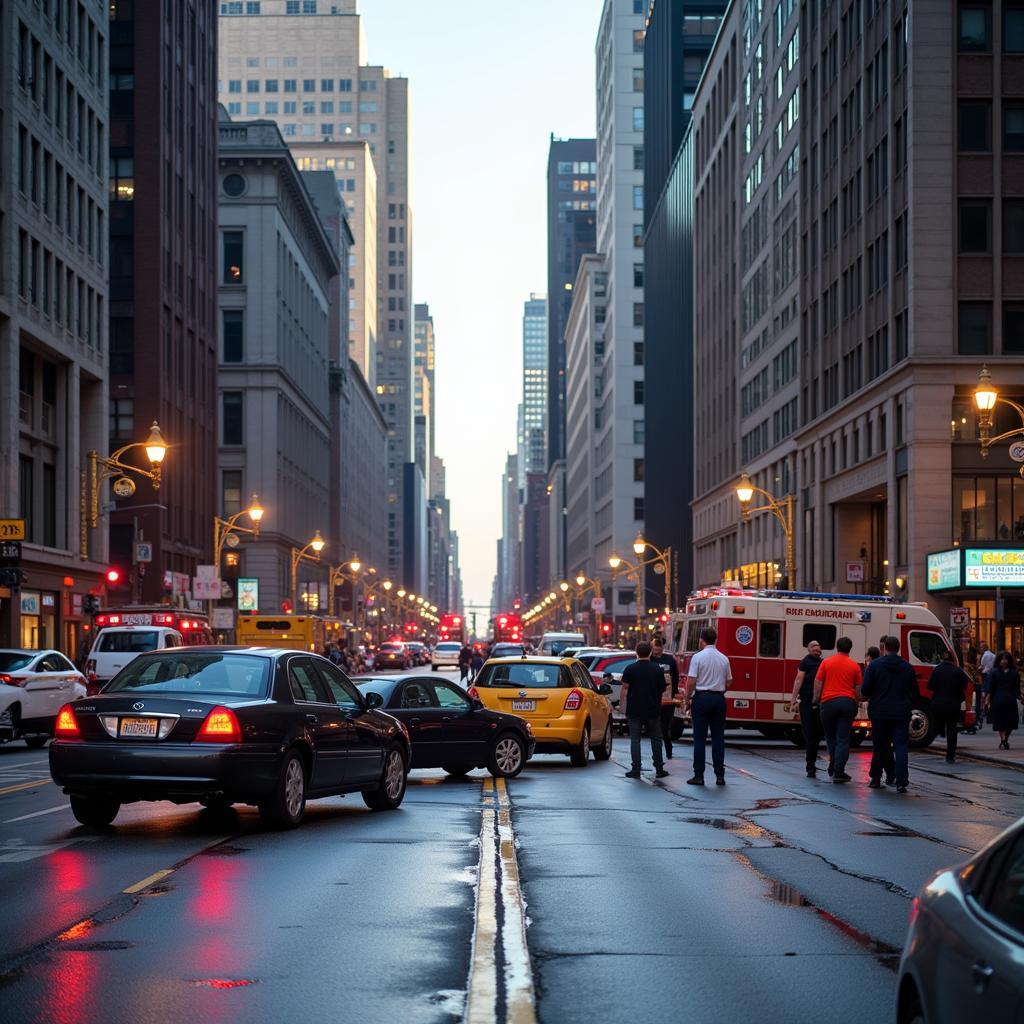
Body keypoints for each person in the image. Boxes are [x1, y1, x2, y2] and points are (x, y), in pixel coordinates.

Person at [861, 636, 918, 793]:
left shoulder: (875, 666)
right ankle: (901, 781)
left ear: (884, 647)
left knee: (879, 746)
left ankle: (875, 778)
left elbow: (865, 690)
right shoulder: (907, 667)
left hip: (879, 711)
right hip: (901, 712)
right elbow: (915, 692)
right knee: (900, 746)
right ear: (898, 648)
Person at [683, 627, 732, 786]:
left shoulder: (697, 657)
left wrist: (687, 698)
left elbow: (691, 681)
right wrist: (720, 688)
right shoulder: (724, 658)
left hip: (702, 698)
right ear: (715, 640)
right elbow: (730, 680)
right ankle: (720, 776)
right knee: (718, 738)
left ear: (702, 640)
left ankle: (699, 775)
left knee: (699, 739)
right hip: (718, 699)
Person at [814, 636, 862, 784]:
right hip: (847, 703)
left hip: (828, 703)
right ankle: (839, 770)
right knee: (843, 738)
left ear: (837, 647)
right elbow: (858, 689)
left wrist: (816, 699)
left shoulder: (826, 662)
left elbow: (818, 682)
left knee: (830, 736)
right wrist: (858, 701)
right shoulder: (855, 666)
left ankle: (833, 763)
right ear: (850, 648)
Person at [620, 640, 668, 779]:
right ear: (651, 652)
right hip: (653, 709)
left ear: (636, 652)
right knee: (656, 739)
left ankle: (636, 768)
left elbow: (625, 687)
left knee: (635, 740)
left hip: (635, 709)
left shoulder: (630, 669)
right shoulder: (657, 669)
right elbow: (662, 688)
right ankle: (659, 768)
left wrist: (622, 706)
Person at [789, 640, 823, 778]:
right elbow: (798, 679)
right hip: (807, 702)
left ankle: (813, 761)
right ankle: (810, 766)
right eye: (813, 647)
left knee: (818, 735)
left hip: (820, 703)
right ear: (808, 650)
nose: (816, 649)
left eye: (818, 647)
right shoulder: (805, 662)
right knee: (809, 735)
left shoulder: (823, 662)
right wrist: (793, 699)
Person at [927, 650, 969, 763]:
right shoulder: (958, 671)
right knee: (952, 729)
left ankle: (926, 742)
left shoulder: (937, 670)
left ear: (942, 658)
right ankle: (950, 756)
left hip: (939, 704)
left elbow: (930, 686)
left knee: (937, 726)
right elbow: (964, 685)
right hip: (953, 704)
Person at [651, 640, 680, 760]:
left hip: (668, 699)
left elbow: (676, 677)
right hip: (653, 699)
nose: (657, 650)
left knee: (665, 727)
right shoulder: (649, 660)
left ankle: (668, 750)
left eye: (659, 647)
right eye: (655, 647)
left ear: (662, 648)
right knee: (655, 728)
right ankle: (657, 753)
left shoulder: (669, 660)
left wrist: (675, 693)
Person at [988, 651, 1021, 750]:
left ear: (1009, 661)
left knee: (1009, 722)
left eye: (1006, 659)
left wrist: (1019, 697)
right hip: (998, 699)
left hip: (1010, 699)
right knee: (1000, 721)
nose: (1004, 661)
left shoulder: (1014, 673)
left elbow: (1017, 688)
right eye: (1002, 659)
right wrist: (988, 700)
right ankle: (1003, 740)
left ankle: (1005, 739)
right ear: (998, 660)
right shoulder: (994, 672)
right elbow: (991, 688)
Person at [978, 641, 996, 725]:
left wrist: (978, 669)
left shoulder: (985, 655)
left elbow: (982, 666)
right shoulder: (993, 655)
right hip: (992, 675)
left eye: (981, 647)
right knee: (989, 692)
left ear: (984, 647)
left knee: (984, 692)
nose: (980, 649)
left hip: (986, 675)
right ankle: (987, 709)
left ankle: (984, 709)